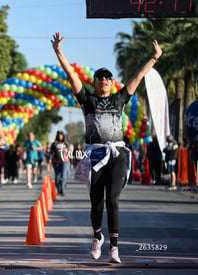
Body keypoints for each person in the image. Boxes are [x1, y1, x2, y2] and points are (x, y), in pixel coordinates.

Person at [51, 32, 162, 264]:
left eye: (107, 78)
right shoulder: (87, 100)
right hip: (95, 153)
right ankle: (97, 237)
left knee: (113, 200)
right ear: (94, 83)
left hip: (117, 154)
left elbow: (138, 76)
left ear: (113, 84)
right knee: (96, 202)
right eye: (100, 78)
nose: (104, 80)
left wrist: (154, 58)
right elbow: (70, 74)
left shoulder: (119, 99)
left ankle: (114, 247)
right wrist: (59, 52)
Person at [50, 131, 70, 196]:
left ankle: (62, 189)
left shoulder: (66, 144)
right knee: (57, 177)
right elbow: (51, 152)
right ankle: (58, 190)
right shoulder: (54, 144)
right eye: (59, 135)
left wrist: (71, 161)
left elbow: (69, 152)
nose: (60, 136)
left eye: (61, 135)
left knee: (63, 176)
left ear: (63, 136)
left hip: (65, 161)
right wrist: (50, 159)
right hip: (56, 161)